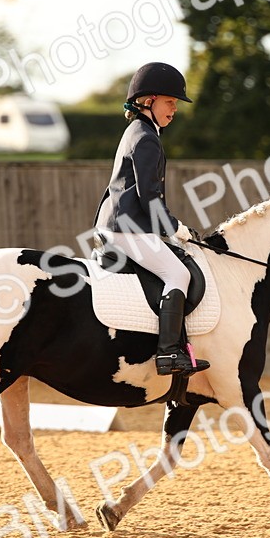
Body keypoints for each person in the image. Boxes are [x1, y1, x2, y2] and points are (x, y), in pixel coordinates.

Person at [93, 62, 209, 376]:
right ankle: (169, 353)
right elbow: (150, 197)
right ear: (149, 100)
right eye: (170, 102)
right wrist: (176, 228)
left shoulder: (140, 132)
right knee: (178, 274)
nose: (174, 108)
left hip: (122, 224)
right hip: (126, 227)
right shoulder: (145, 138)